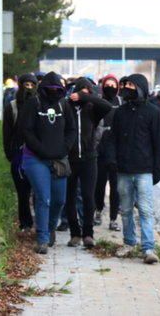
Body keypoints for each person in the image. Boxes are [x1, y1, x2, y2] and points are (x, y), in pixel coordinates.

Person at [111, 73, 160, 264]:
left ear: (141, 88)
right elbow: (113, 140)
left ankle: (148, 248)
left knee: (145, 210)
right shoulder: (120, 112)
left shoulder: (153, 112)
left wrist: (158, 169)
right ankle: (128, 242)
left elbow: (159, 143)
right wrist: (114, 162)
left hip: (144, 171)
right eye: (124, 85)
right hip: (124, 170)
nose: (126, 88)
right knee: (125, 210)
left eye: (130, 85)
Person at [19, 72, 76, 254]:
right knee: (44, 197)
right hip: (35, 158)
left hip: (59, 158)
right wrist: (41, 149)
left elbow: (71, 129)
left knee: (59, 199)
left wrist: (64, 148)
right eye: (49, 89)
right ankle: (42, 238)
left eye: (56, 89)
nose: (52, 92)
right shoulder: (32, 104)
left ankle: (51, 227)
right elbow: (26, 130)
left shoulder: (64, 105)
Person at [65, 77, 112, 248]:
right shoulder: (67, 107)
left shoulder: (93, 109)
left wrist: (87, 97)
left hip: (89, 158)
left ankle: (88, 233)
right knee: (69, 197)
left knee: (87, 196)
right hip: (70, 159)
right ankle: (75, 233)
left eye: (87, 92)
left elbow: (106, 106)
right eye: (80, 92)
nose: (83, 96)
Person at [3, 73, 38, 231]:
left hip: (37, 154)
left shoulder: (40, 105)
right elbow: (7, 132)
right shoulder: (12, 106)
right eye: (26, 84)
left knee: (38, 191)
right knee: (22, 193)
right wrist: (10, 153)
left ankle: (40, 222)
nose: (29, 88)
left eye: (32, 85)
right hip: (19, 154)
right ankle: (25, 223)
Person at [94, 74, 122, 231]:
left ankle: (113, 218)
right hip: (100, 148)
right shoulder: (98, 102)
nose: (110, 87)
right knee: (99, 184)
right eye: (108, 84)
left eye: (113, 85)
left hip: (116, 149)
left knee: (115, 186)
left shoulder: (120, 102)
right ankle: (98, 210)